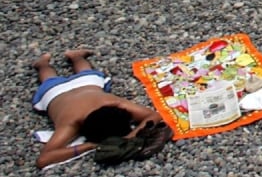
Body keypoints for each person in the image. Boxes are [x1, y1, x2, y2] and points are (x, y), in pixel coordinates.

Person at [31, 49, 165, 169]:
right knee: (82, 72)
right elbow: (43, 160)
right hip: (63, 90)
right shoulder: (72, 121)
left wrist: (130, 136)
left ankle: (43, 64)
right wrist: (88, 146)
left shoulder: (112, 104)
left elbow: (154, 116)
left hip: (60, 91)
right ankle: (74, 57)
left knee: (50, 78)